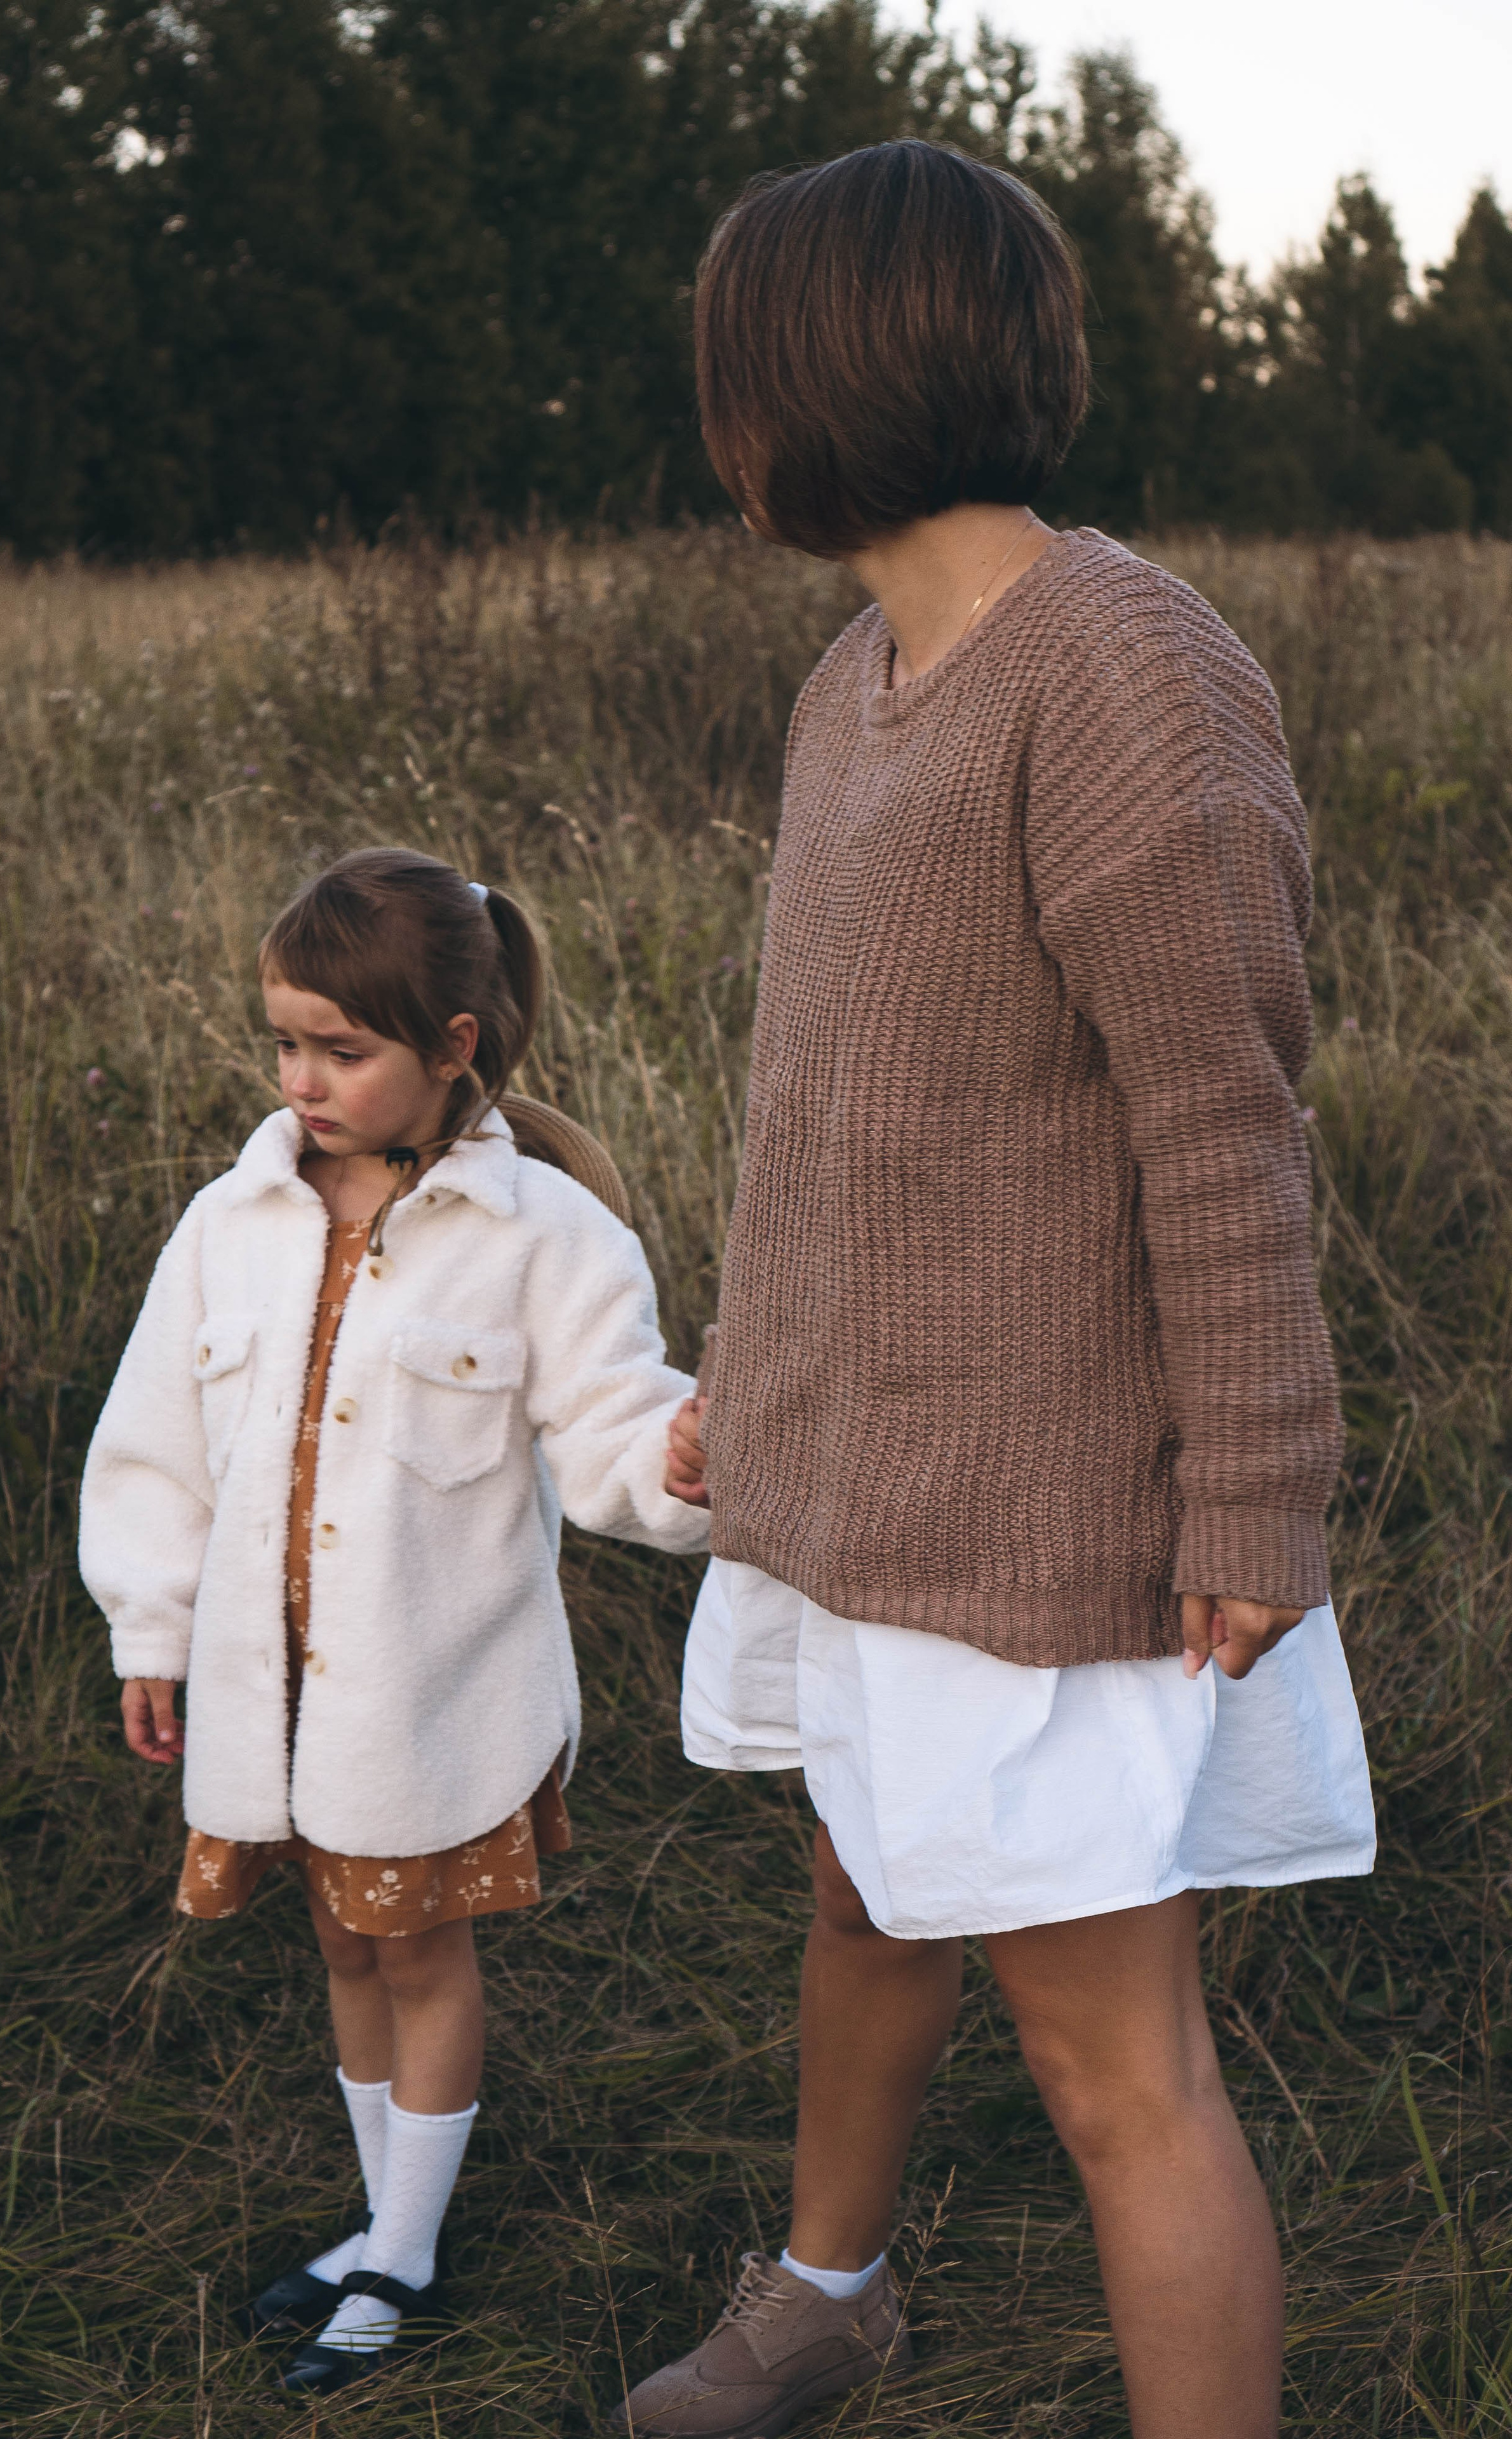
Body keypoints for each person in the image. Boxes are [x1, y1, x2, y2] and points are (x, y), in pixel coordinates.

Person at [635, 143, 1375, 2439]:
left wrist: (1257, 1501)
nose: (715, 419)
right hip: (872, 1487)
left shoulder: (1123, 670)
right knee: (866, 1894)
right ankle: (827, 2299)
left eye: (726, 372)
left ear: (817, 383)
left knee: (1109, 2062)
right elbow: (842, 1117)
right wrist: (752, 1395)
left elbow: (1224, 1129)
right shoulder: (855, 678)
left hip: (1061, 1531)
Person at [79, 847, 709, 2398]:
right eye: (284, 1042)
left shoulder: (548, 1239)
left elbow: (616, 1437)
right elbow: (153, 1437)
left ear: (454, 1047)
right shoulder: (233, 1221)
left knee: (414, 1952)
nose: (302, 1079)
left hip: (426, 1691)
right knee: (341, 1946)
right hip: (266, 1688)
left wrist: (689, 1460)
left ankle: (403, 2259)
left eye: (341, 1051)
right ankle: (380, 2223)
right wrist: (146, 1629)